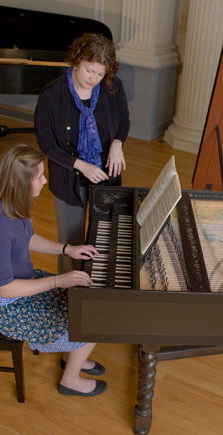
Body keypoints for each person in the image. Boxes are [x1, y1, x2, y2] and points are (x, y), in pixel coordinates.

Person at [0, 144, 106, 397]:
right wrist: (59, 280)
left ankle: (75, 355)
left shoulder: (11, 206)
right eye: (39, 177)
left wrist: (67, 249)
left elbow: (28, 239)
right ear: (20, 183)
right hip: (6, 305)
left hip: (21, 284)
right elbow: (6, 289)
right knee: (91, 321)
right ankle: (70, 379)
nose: (45, 181)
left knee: (86, 299)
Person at [35, 32, 130, 274]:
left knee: (106, 236)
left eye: (101, 73)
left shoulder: (113, 87)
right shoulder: (51, 95)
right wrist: (81, 165)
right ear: (76, 60)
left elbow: (123, 121)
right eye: (90, 71)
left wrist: (118, 143)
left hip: (107, 177)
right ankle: (70, 296)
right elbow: (47, 146)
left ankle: (98, 290)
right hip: (70, 180)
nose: (95, 79)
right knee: (73, 244)